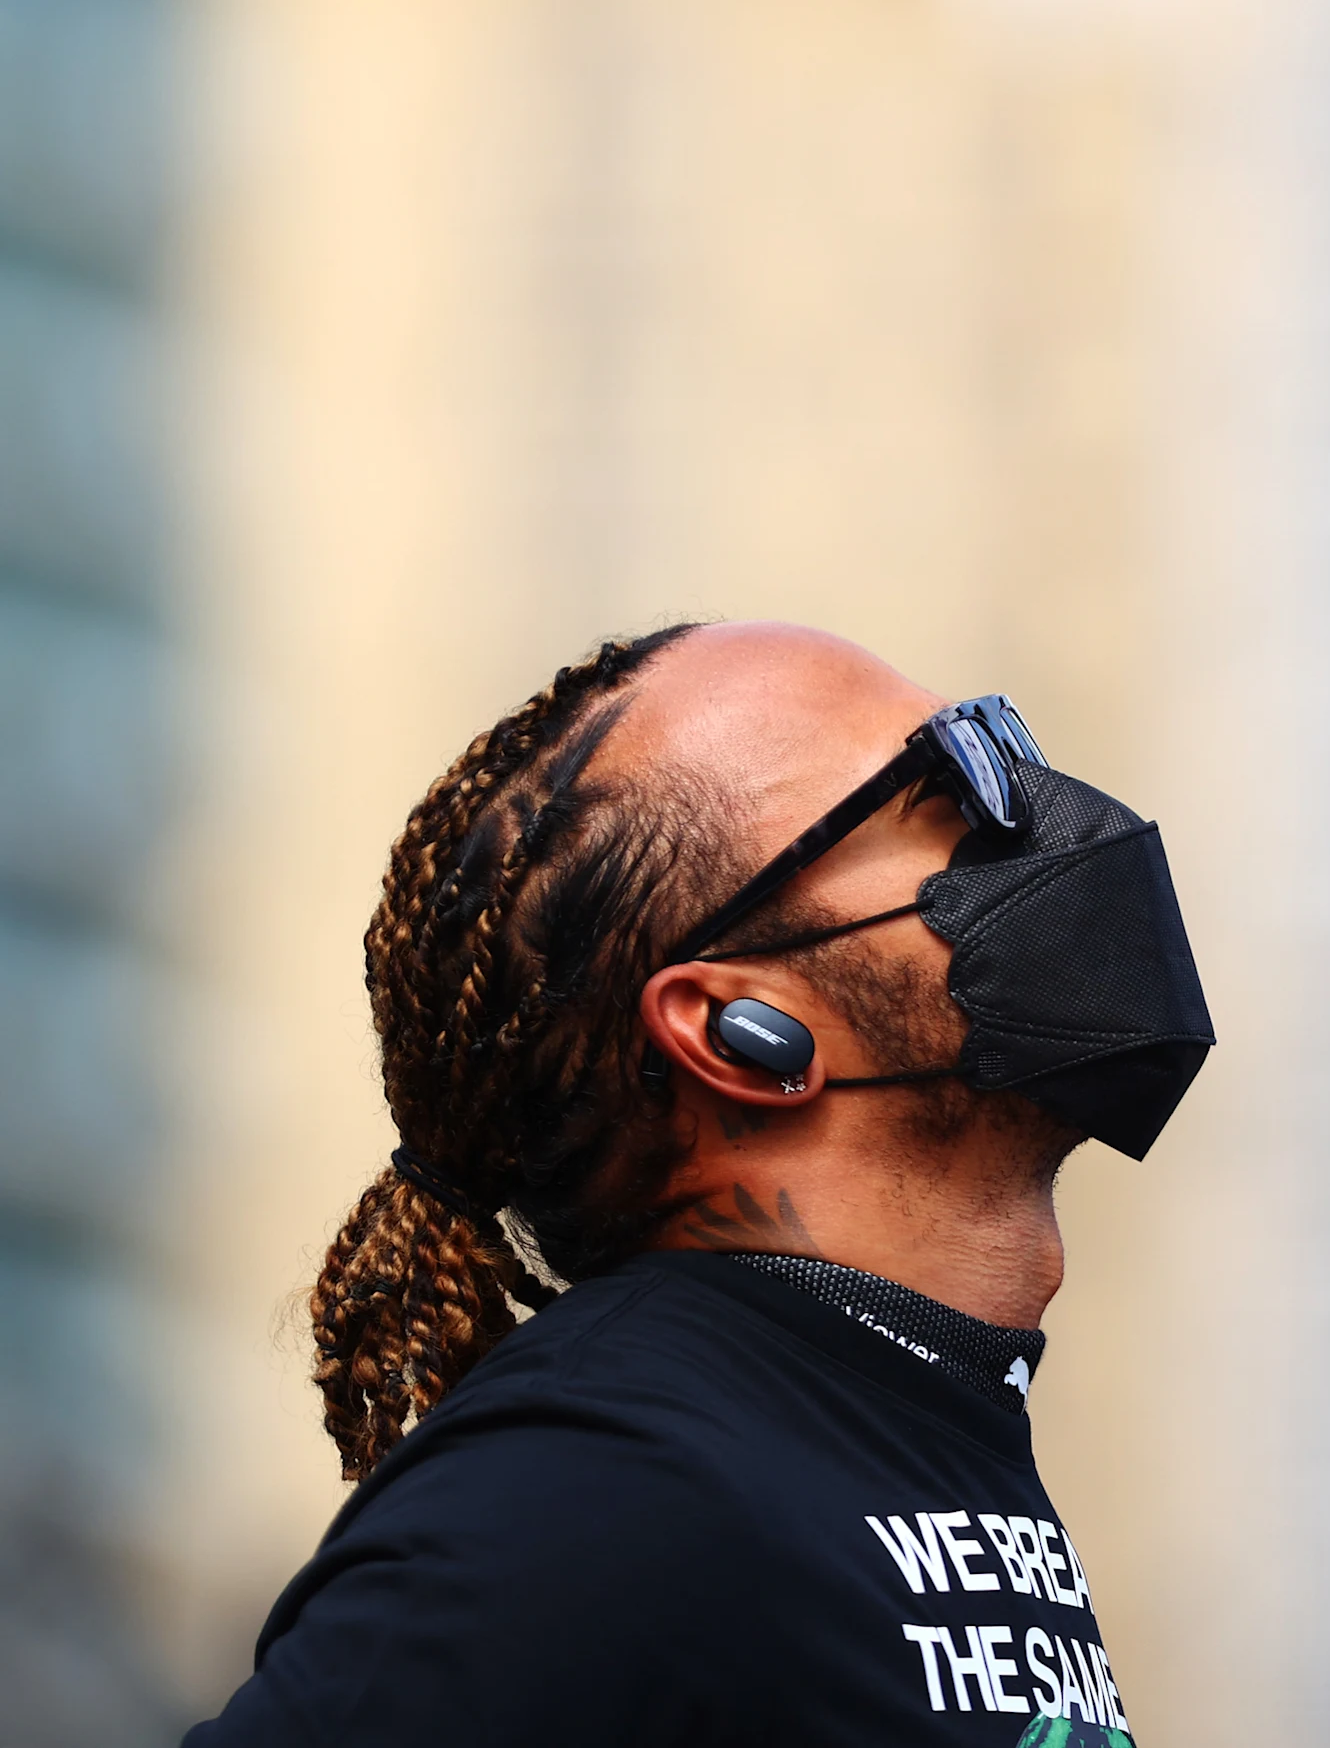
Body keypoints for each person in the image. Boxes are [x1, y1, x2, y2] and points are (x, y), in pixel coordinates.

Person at [186, 621, 1215, 1747]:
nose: (1038, 819)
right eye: (951, 784)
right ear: (739, 1034)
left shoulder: (875, 1403)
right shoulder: (596, 1478)